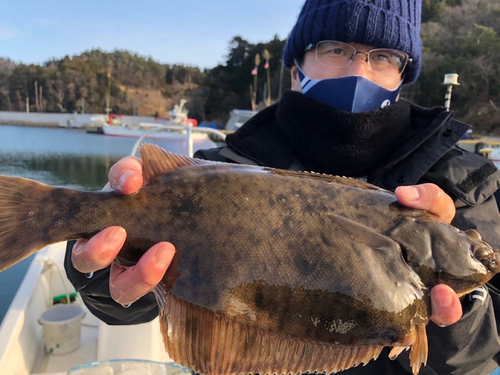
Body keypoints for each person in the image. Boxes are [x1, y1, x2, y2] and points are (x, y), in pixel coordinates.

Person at [64, 0, 500, 373]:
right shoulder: (218, 171)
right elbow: (129, 300)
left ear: (403, 76)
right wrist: (98, 266)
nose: (359, 71)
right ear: (296, 68)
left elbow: (474, 362)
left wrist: (461, 313)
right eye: (336, 48)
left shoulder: (467, 184)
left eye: (383, 56)